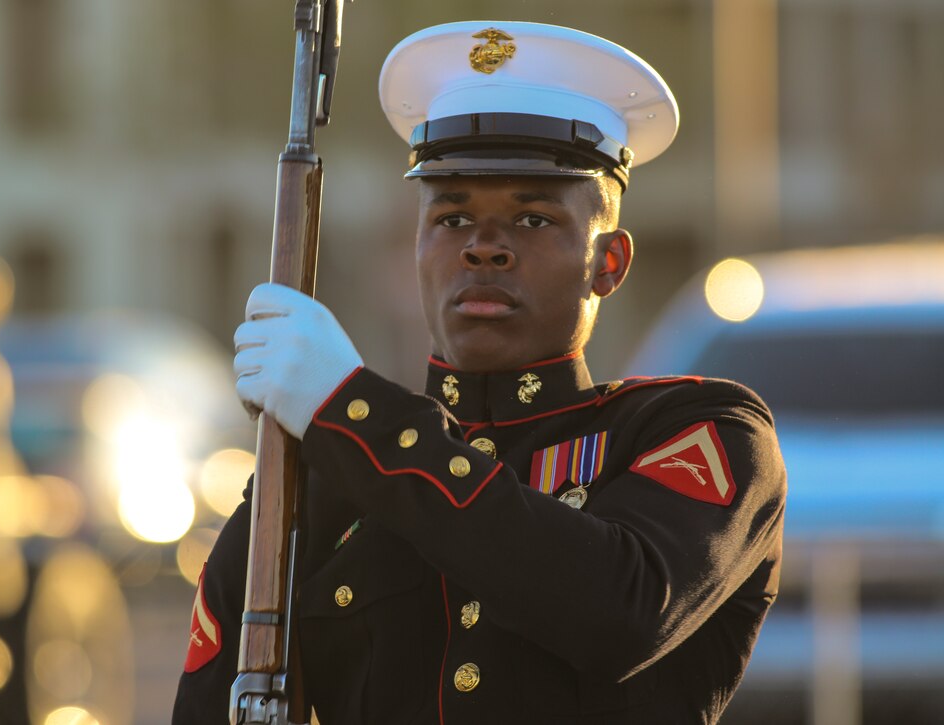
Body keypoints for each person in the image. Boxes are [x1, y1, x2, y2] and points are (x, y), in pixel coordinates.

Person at [173, 20, 785, 725]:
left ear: (607, 263)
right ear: (417, 248)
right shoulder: (320, 473)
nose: (483, 248)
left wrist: (348, 408)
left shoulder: (697, 432)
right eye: (453, 217)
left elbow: (620, 610)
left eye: (532, 220)